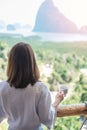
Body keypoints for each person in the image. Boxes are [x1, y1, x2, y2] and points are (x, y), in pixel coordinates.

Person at [0, 42, 64, 130]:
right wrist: (57, 101)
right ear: (32, 62)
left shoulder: (2, 88)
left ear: (11, 62)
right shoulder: (40, 89)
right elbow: (47, 119)